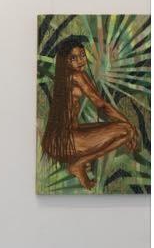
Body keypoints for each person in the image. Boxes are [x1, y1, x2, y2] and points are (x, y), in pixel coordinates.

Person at [40, 35, 137, 189]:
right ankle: (79, 163)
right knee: (127, 130)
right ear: (65, 61)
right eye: (73, 58)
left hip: (55, 142)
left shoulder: (63, 77)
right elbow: (101, 105)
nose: (80, 61)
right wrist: (128, 125)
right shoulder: (77, 76)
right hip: (66, 143)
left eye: (82, 55)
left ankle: (80, 161)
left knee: (113, 128)